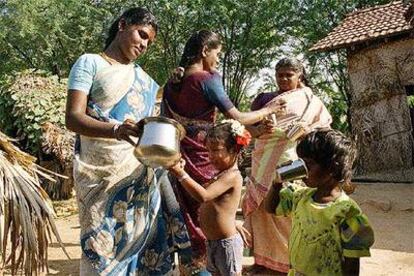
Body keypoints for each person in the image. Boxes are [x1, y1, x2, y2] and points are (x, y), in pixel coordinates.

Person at [65, 8, 191, 275]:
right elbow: (73, 118)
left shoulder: (145, 80)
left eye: (149, 42)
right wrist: (115, 130)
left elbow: (145, 131)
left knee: (145, 253)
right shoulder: (90, 63)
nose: (144, 45)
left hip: (140, 173)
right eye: (141, 35)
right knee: (102, 252)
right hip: (101, 175)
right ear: (123, 25)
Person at [161, 30, 285, 273]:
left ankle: (191, 266)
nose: (217, 59)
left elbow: (168, 124)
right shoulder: (207, 79)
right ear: (205, 51)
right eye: (217, 53)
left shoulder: (171, 84)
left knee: (187, 213)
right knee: (213, 202)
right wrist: (269, 109)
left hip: (179, 157)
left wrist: (256, 129)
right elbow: (236, 117)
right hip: (205, 157)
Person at [242, 57, 332, 274]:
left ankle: (288, 262)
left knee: (287, 211)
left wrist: (306, 130)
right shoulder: (265, 99)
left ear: (299, 75)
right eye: (279, 74)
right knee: (261, 212)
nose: (283, 79)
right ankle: (262, 261)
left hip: (290, 160)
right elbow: (250, 127)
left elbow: (324, 130)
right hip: (262, 161)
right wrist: (262, 127)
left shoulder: (311, 101)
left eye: (288, 75)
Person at [264, 129, 375, 275]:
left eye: (308, 165)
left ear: (332, 168)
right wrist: (277, 183)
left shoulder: (347, 212)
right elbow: (271, 208)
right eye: (300, 163)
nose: (302, 171)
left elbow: (352, 263)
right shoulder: (299, 197)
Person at [169, 120, 251, 276]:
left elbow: (204, 196)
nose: (210, 156)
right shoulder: (220, 175)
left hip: (226, 245)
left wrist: (181, 174)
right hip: (213, 243)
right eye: (208, 151)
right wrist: (183, 170)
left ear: (234, 150)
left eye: (216, 150)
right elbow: (220, 207)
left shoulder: (232, 176)